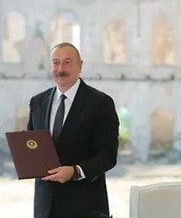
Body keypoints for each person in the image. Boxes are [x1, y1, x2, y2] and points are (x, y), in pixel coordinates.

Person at [27, 42, 119, 218]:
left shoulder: (100, 103)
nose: (60, 68)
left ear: (80, 66)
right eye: (55, 62)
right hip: (45, 206)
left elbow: (108, 156)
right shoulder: (37, 102)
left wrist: (75, 171)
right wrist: (23, 147)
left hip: (85, 206)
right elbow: (34, 148)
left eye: (67, 62)